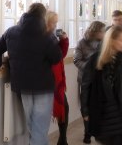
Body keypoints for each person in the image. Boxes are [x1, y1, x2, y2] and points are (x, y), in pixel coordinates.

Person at [0, 3, 62, 145]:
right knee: (39, 129)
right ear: (43, 16)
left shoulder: (11, 31)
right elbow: (56, 58)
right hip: (43, 87)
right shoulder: (46, 35)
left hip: (23, 86)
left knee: (33, 128)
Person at [80, 25, 122, 145]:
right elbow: (85, 87)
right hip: (102, 116)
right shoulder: (94, 60)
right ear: (112, 40)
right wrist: (85, 111)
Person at [74, 20, 106, 144]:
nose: (104, 33)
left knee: (101, 104)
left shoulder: (105, 43)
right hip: (85, 79)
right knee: (85, 106)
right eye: (102, 31)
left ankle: (100, 130)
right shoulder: (82, 43)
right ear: (96, 31)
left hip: (101, 79)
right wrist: (90, 67)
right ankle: (87, 132)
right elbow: (77, 60)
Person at [46, 11, 70, 145]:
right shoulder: (44, 37)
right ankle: (62, 139)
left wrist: (64, 40)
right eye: (53, 22)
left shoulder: (52, 37)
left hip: (57, 81)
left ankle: (63, 139)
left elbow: (60, 55)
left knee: (64, 108)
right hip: (49, 80)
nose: (56, 26)